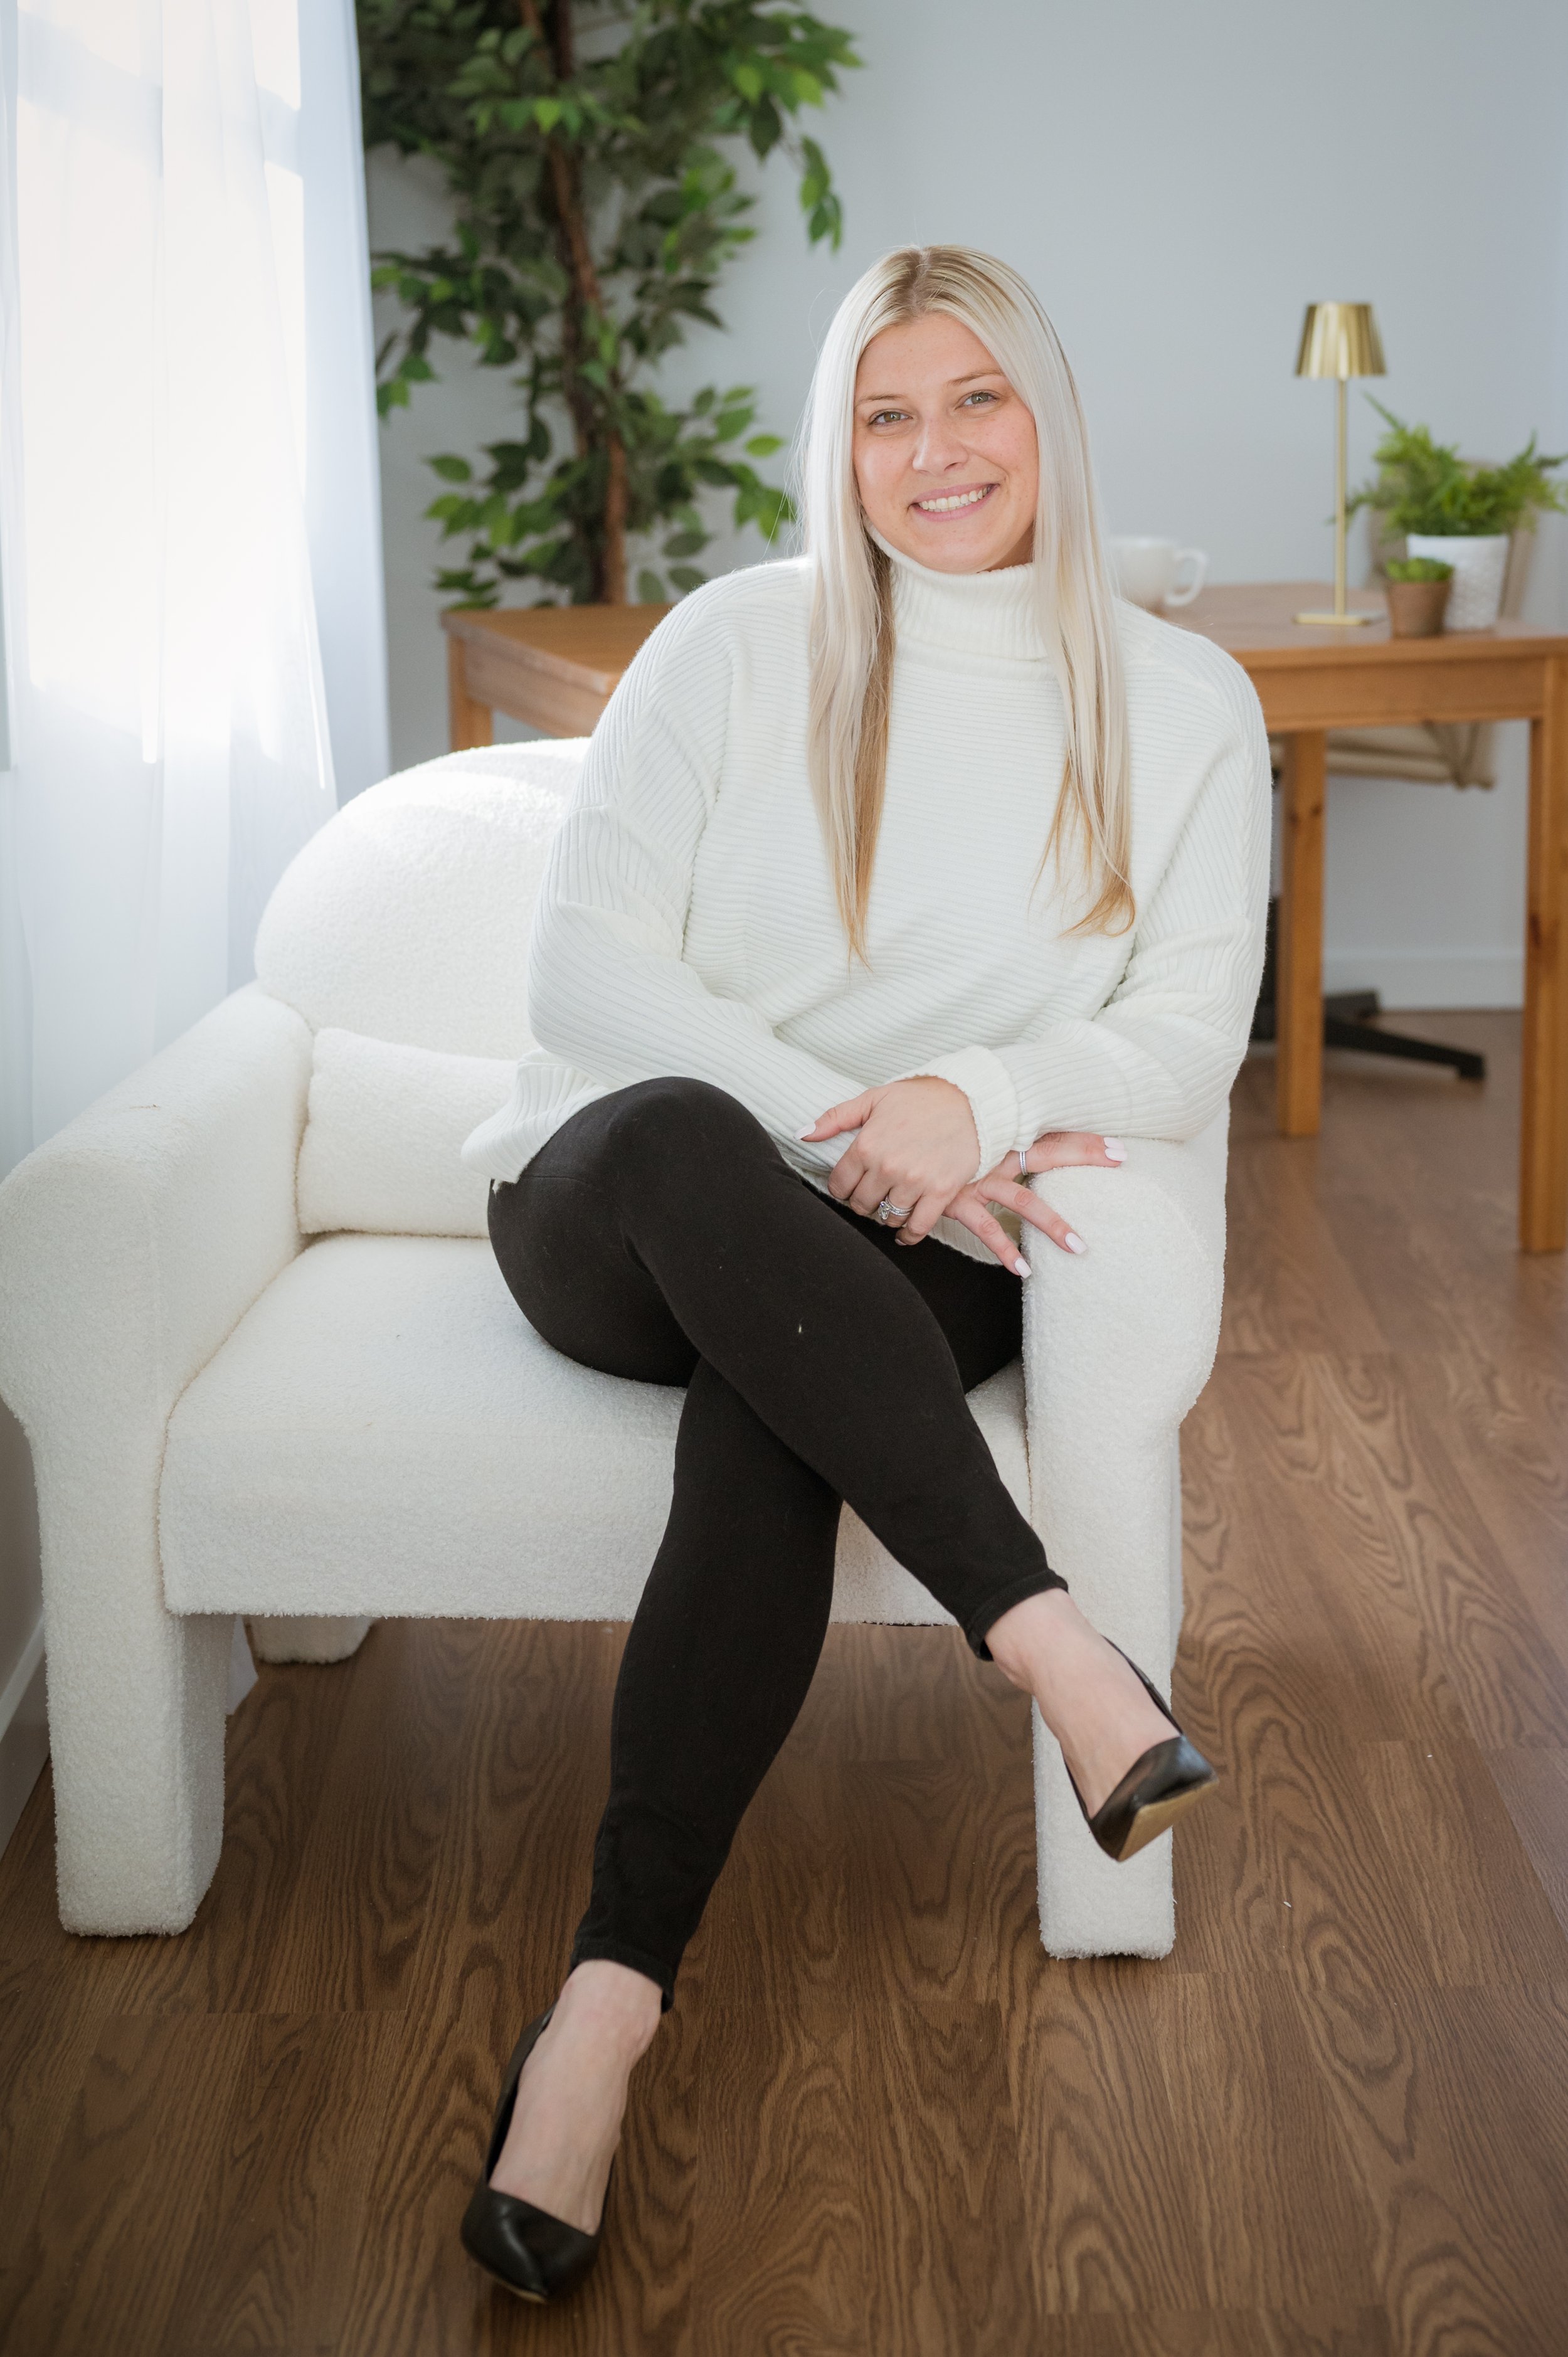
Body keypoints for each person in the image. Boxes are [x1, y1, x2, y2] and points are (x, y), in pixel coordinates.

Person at [457, 244, 1270, 2304]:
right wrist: (860, 1116)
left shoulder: (1178, 698)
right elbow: (580, 976)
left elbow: (1185, 1035)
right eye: (884, 412)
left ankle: (602, 2018)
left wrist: (976, 1088)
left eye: (974, 400)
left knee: (775, 1410)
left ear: (1047, 419)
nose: (932, 453)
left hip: (925, 1244)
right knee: (675, 1130)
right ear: (841, 442)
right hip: (636, 1207)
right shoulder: (737, 645)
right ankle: (1062, 1653)